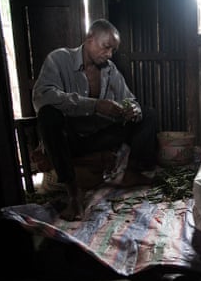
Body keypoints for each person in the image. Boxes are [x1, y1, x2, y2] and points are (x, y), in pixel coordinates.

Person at [32, 19, 158, 221]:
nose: (109, 54)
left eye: (113, 50)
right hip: (69, 139)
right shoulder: (59, 59)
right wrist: (95, 105)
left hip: (98, 138)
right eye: (106, 47)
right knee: (48, 115)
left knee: (148, 113)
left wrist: (132, 109)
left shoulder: (110, 70)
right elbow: (42, 97)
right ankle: (73, 193)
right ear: (90, 38)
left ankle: (131, 172)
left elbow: (130, 99)